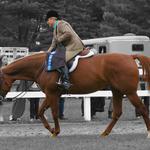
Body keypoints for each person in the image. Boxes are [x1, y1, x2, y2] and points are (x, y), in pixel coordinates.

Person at [45, 10, 84, 90]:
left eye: (48, 20)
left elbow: (68, 33)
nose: (47, 23)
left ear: (53, 19)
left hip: (74, 46)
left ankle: (66, 81)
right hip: (69, 47)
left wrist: (59, 39)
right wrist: (47, 53)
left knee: (59, 59)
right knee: (54, 57)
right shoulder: (55, 28)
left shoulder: (61, 24)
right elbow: (53, 44)